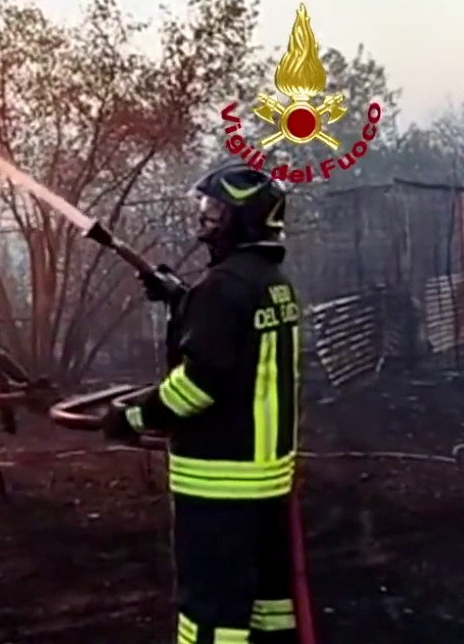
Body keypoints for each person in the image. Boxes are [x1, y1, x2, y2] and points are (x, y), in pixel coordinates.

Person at [105, 164, 302, 644]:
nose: (205, 220)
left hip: (220, 488)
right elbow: (237, 355)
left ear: (239, 219)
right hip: (267, 482)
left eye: (215, 210)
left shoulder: (221, 290)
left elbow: (200, 383)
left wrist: (132, 416)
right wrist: (182, 303)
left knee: (211, 612)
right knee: (267, 607)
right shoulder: (272, 282)